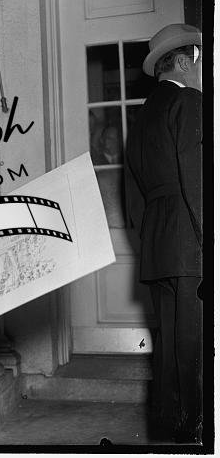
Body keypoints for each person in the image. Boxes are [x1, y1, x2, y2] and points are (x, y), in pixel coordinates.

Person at [125, 23, 202, 443]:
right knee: (196, 346)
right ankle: (198, 434)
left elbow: (133, 198)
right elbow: (198, 180)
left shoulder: (141, 116)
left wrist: (152, 240)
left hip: (159, 247)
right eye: (203, 62)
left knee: (172, 344)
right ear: (186, 62)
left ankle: (172, 428)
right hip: (192, 243)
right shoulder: (190, 102)